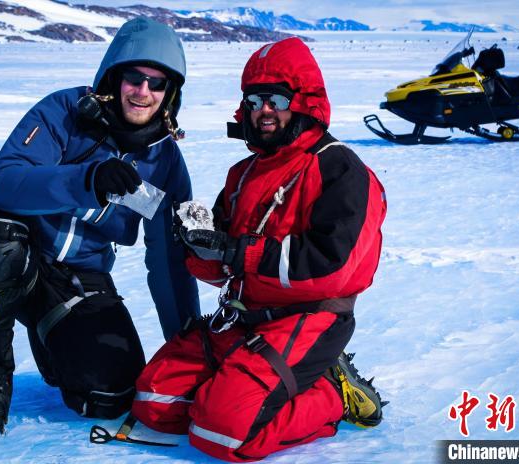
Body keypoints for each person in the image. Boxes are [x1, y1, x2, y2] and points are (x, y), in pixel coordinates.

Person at [0, 17, 199, 435]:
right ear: (114, 77)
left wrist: (188, 346)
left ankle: (52, 333)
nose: (143, 91)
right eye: (134, 78)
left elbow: (168, 261)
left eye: (157, 83)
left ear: (170, 93)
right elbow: (6, 179)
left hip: (76, 275)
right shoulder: (65, 112)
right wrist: (86, 180)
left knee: (112, 393)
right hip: (13, 251)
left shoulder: (164, 163)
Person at [131, 37, 387, 461]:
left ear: (303, 101)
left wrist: (238, 251)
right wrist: (199, 246)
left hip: (307, 319)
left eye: (276, 99)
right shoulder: (244, 173)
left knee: (222, 434)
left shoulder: (339, 168)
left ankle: (332, 393)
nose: (263, 109)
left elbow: (333, 267)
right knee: (154, 402)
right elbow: (223, 267)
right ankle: (246, 388)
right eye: (253, 100)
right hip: (244, 317)